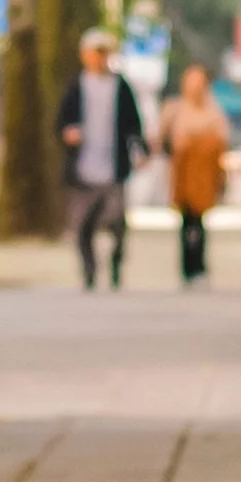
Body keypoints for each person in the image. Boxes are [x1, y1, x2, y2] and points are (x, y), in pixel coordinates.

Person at [56, 28, 146, 290]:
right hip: (83, 167)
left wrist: (139, 151)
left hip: (113, 166)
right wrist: (68, 134)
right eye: (95, 52)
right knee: (83, 225)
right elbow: (61, 122)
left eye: (104, 52)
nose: (100, 58)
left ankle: (116, 265)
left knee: (117, 222)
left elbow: (133, 124)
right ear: (85, 55)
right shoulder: (76, 87)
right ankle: (89, 271)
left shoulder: (120, 86)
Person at [159, 64, 231, 285]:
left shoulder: (213, 112)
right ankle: (187, 268)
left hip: (204, 175)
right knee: (186, 221)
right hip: (183, 173)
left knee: (199, 221)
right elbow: (163, 141)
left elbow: (222, 141)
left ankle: (199, 266)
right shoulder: (175, 110)